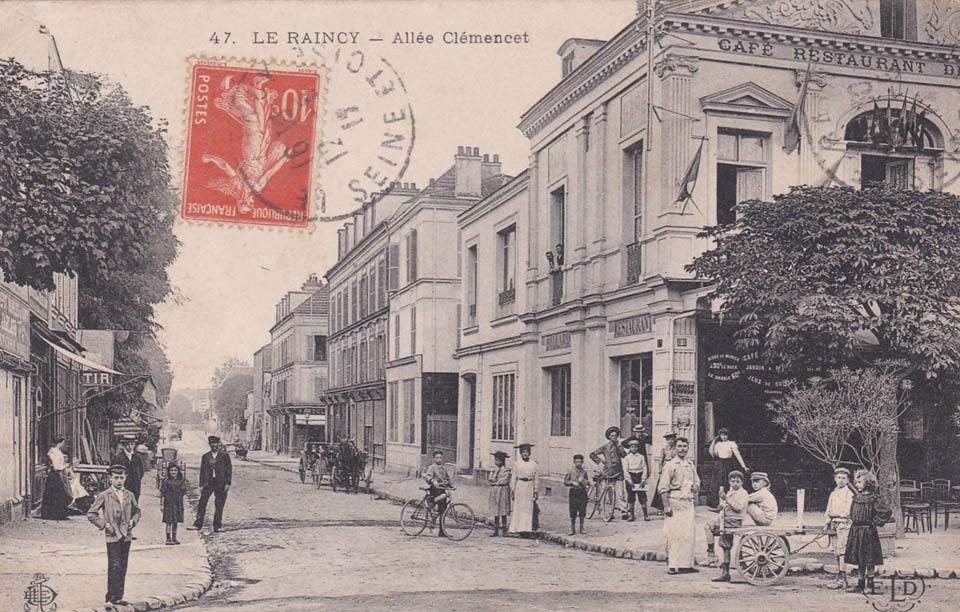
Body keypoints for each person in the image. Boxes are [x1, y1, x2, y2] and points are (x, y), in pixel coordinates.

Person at [87, 464, 141, 607]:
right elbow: (91, 514)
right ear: (110, 478)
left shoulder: (130, 495)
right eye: (116, 477)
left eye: (121, 477)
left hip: (126, 535)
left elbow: (137, 511)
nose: (119, 481)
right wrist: (105, 524)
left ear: (125, 478)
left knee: (123, 565)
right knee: (114, 565)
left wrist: (132, 522)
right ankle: (110, 598)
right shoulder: (104, 495)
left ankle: (118, 596)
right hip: (112, 536)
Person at [844, 469, 892, 594]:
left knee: (869, 559)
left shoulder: (874, 498)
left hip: (868, 532)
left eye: (860, 482)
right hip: (856, 531)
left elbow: (885, 511)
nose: (857, 484)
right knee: (859, 559)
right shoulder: (857, 497)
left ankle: (870, 585)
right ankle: (860, 584)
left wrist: (874, 522)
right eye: (856, 482)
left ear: (868, 483)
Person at [659, 436, 700, 574]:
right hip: (675, 502)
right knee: (674, 534)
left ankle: (686, 565)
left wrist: (695, 487)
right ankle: (673, 565)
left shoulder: (690, 465)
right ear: (675, 448)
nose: (682, 449)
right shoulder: (670, 465)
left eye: (684, 446)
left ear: (688, 448)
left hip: (688, 502)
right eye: (679, 446)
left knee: (688, 534)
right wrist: (666, 506)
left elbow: (697, 482)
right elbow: (663, 488)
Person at [705, 470, 749, 581]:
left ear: (742, 483)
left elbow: (738, 507)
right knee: (725, 544)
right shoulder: (731, 491)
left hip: (733, 520)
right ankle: (725, 570)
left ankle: (711, 554)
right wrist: (721, 506)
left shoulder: (742, 493)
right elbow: (726, 505)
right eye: (733, 481)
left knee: (708, 526)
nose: (735, 483)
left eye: (737, 481)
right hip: (727, 518)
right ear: (729, 482)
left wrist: (726, 498)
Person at [189, 435, 232, 533]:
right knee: (202, 503)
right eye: (212, 444)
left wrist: (228, 483)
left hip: (220, 483)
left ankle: (217, 526)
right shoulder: (206, 456)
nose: (214, 445)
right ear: (209, 445)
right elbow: (202, 471)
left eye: (215, 443)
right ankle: (198, 524)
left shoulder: (224, 456)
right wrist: (201, 484)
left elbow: (229, 470)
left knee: (219, 504)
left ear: (218, 444)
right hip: (208, 483)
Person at [824, 467, 856, 590]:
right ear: (835, 479)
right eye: (839, 478)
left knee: (842, 551)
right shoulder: (833, 493)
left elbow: (847, 512)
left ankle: (842, 578)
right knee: (836, 551)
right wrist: (827, 520)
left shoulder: (849, 494)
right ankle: (840, 576)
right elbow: (828, 509)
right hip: (834, 525)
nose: (841, 480)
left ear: (848, 480)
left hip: (844, 524)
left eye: (844, 478)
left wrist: (834, 515)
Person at [589, 426, 629, 520]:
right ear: (609, 437)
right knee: (609, 493)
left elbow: (624, 455)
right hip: (608, 472)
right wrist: (600, 461)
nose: (614, 437)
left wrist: (620, 447)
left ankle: (624, 512)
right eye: (612, 436)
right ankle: (609, 512)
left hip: (618, 472)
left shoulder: (619, 446)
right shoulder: (605, 447)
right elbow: (592, 454)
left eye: (615, 435)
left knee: (620, 493)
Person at [708, 428, 749, 508]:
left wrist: (744, 466)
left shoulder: (731, 443)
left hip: (728, 464)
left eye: (725, 435)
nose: (724, 437)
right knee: (719, 484)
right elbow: (713, 454)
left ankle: (728, 504)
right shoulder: (718, 444)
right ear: (720, 436)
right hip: (719, 465)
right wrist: (714, 441)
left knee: (727, 483)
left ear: (728, 436)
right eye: (722, 435)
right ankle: (719, 504)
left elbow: (737, 455)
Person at [509, 443, 539, 535]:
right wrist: (512, 490)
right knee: (519, 506)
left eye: (527, 452)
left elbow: (536, 478)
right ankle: (517, 527)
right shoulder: (517, 464)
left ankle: (526, 528)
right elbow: (513, 477)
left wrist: (535, 490)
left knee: (528, 507)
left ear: (529, 453)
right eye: (523, 452)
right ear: (520, 453)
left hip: (529, 486)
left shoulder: (533, 464)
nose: (525, 454)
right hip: (520, 486)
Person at [41, 437, 72, 520]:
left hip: (57, 473)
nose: (63, 445)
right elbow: (56, 466)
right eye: (63, 443)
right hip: (56, 475)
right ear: (60, 443)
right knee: (57, 494)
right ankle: (55, 514)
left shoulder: (56, 451)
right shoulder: (54, 452)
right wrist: (64, 466)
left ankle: (58, 513)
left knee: (58, 494)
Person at [424, 450, 451, 536]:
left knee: (442, 512)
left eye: (440, 458)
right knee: (439, 506)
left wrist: (451, 485)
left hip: (442, 489)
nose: (439, 459)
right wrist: (432, 481)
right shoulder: (431, 467)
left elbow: (447, 478)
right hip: (434, 490)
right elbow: (428, 477)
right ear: (434, 459)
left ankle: (442, 532)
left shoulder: (444, 468)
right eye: (437, 458)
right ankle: (432, 507)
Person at [622, 436, 649, 521]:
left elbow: (645, 468)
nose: (634, 448)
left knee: (642, 497)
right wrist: (629, 480)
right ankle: (632, 515)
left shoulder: (641, 457)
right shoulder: (627, 458)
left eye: (635, 447)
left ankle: (645, 515)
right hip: (631, 477)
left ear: (638, 447)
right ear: (629, 448)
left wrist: (643, 479)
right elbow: (625, 470)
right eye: (632, 447)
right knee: (631, 497)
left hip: (639, 476)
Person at [651, 431, 678, 513]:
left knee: (673, 488)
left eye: (672, 439)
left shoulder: (676, 449)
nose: (671, 441)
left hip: (674, 468)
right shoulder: (664, 449)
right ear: (667, 440)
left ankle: (672, 507)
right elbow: (661, 461)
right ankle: (661, 508)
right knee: (662, 488)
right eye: (669, 439)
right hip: (665, 468)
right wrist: (660, 471)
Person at [110, 436, 145, 501]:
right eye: (128, 444)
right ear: (125, 445)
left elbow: (141, 471)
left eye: (132, 444)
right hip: (123, 485)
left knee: (134, 504)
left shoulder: (138, 457)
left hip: (135, 485)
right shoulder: (118, 457)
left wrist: (137, 478)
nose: (130, 446)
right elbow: (113, 470)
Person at [564, 453, 590, 535]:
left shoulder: (584, 472)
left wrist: (583, 481)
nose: (578, 463)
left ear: (582, 462)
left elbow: (588, 483)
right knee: (573, 511)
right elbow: (565, 482)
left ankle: (582, 528)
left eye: (580, 462)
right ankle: (572, 529)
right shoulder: (570, 471)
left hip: (582, 492)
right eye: (576, 462)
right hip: (573, 492)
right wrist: (572, 482)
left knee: (582, 510)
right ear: (574, 462)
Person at [161, 463, 187, 545]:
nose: (173, 472)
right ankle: (168, 538)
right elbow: (162, 493)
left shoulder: (181, 481)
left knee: (176, 521)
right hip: (168, 503)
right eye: (171, 470)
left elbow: (183, 492)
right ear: (169, 472)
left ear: (178, 471)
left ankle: (174, 537)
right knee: (169, 521)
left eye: (175, 470)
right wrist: (161, 504)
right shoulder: (166, 481)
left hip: (178, 503)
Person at [487, 451, 511, 537]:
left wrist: (496, 482)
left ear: (502, 461)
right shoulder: (494, 470)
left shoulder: (506, 470)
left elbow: (503, 480)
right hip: (495, 491)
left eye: (498, 460)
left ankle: (504, 530)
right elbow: (490, 479)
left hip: (503, 491)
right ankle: (496, 530)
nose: (496, 462)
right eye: (495, 460)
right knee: (496, 511)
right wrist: (492, 474)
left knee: (503, 510)